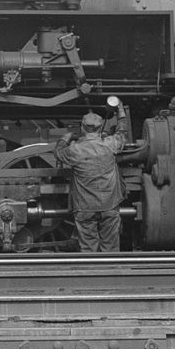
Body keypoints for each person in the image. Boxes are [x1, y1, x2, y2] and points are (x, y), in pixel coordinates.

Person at [53, 101, 128, 252]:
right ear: (101, 128)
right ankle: (112, 272)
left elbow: (58, 153)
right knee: (111, 248)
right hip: (109, 204)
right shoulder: (110, 144)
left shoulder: (75, 150)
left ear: (82, 128)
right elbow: (122, 131)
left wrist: (65, 138)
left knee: (88, 249)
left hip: (85, 207)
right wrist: (120, 110)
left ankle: (91, 272)